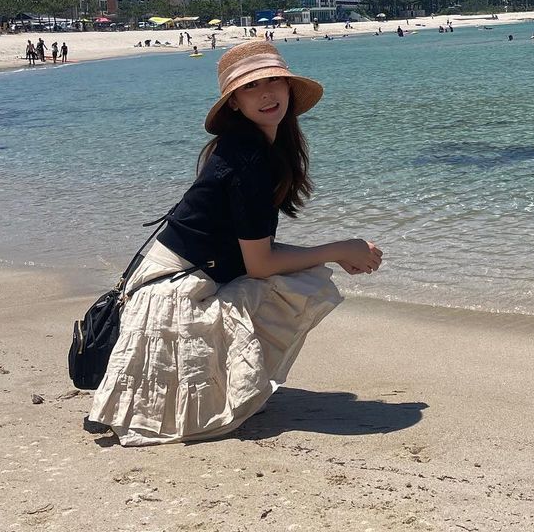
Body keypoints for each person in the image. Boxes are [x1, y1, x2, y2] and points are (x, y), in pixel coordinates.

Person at [85, 40, 382, 446]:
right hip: (172, 292)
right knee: (303, 280)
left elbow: (252, 254)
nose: (266, 94)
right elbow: (260, 264)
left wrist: (339, 250)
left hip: (181, 280)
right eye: (250, 87)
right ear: (235, 104)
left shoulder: (248, 148)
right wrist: (340, 249)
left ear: (289, 88)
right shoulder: (249, 158)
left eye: (274, 81)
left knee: (298, 273)